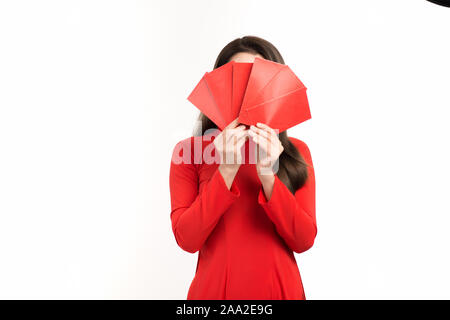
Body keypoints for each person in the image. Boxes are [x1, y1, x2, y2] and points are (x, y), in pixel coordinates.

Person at [169, 36, 316, 299]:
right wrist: (226, 170)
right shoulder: (189, 153)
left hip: (279, 292)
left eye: (256, 82)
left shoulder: (296, 152)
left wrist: (268, 175)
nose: (248, 96)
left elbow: (303, 240)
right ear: (218, 89)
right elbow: (187, 240)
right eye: (237, 82)